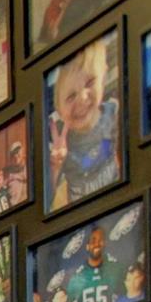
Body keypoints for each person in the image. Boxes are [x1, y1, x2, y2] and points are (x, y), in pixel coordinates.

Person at [47, 41, 123, 209]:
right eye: (70, 96)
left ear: (103, 77)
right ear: (59, 108)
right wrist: (56, 165)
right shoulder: (62, 143)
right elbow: (46, 202)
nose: (82, 98)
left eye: (89, 83)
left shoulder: (114, 113)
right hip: (84, 221)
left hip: (117, 205)